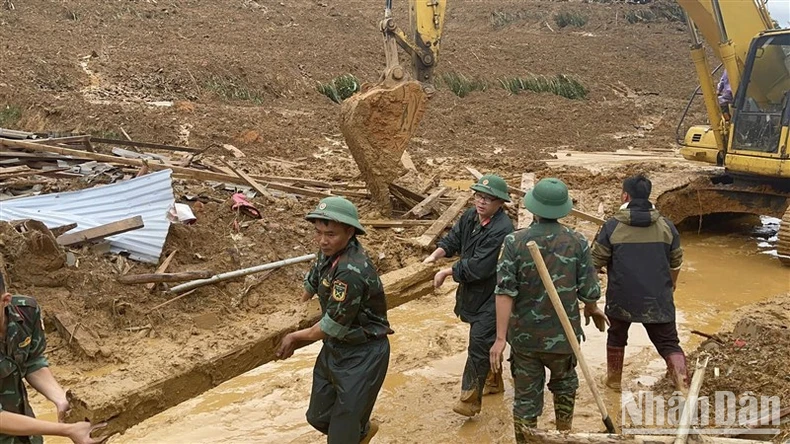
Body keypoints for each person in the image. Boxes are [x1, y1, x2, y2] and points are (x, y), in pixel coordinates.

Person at [489, 178, 606, 440]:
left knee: (526, 400)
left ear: (534, 208)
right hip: (563, 338)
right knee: (565, 386)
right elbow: (589, 289)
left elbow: (504, 291)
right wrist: (592, 307)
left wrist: (499, 339)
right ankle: (564, 434)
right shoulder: (577, 241)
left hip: (525, 339)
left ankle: (526, 439)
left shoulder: (514, 242)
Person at [276, 197, 392, 444]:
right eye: (318, 233)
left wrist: (295, 337)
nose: (322, 240)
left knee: (340, 436)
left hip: (363, 354)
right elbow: (312, 282)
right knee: (317, 416)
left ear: (350, 232)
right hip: (336, 348)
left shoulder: (350, 272)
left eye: (330, 234)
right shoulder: (328, 252)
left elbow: (330, 326)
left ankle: (351, 434)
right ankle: (359, 432)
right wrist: (297, 314)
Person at [423, 174, 514, 417]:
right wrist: (436, 254)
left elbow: (479, 267)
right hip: (474, 293)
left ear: (500, 204)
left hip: (495, 294)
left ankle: (469, 399)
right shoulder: (471, 216)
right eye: (478, 196)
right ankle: (494, 382)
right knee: (486, 339)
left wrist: (447, 271)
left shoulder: (502, 229)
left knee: (478, 342)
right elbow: (454, 239)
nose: (481, 202)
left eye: (488, 199)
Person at [591, 174, 687, 393]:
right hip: (658, 299)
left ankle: (613, 382)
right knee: (669, 343)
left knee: (616, 337)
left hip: (621, 298)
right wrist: (671, 286)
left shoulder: (612, 226)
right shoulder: (666, 226)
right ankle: (683, 386)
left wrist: (590, 298)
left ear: (625, 195)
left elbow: (595, 263)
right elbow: (676, 262)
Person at [0, 274, 106, 444]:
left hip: (25, 430)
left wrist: (60, 398)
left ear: (6, 301)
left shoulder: (26, 312)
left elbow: (32, 362)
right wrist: (67, 430)